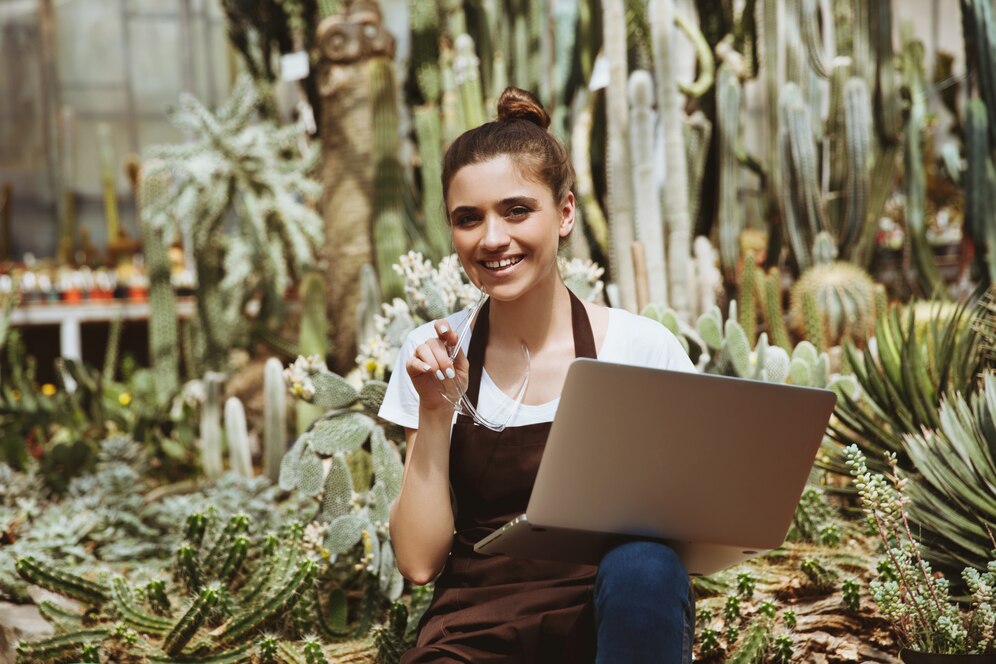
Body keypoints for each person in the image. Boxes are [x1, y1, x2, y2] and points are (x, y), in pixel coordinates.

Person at [380, 87, 697, 663]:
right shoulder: (433, 352)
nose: (492, 239)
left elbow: (693, 523)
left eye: (517, 210)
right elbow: (419, 562)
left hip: (611, 620)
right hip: (474, 631)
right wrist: (433, 408)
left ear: (566, 213)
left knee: (647, 564)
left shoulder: (640, 347)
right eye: (468, 219)